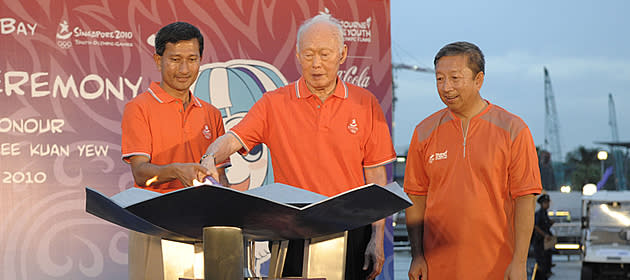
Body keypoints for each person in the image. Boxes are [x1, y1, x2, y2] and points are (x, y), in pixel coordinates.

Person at [201, 14, 396, 279]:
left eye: (325, 54)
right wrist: (211, 155)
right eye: (308, 55)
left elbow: (376, 177)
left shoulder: (366, 104)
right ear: (296, 55)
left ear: (342, 54)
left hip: (351, 227)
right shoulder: (274, 103)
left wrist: (378, 236)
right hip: (291, 228)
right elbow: (233, 139)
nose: (316, 64)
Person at [403, 41, 542, 280]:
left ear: (479, 80)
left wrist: (519, 262)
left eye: (455, 78)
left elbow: (525, 201)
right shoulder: (424, 132)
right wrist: (417, 256)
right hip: (437, 269)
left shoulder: (513, 129)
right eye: (439, 79)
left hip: (498, 267)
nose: (446, 87)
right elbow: (416, 199)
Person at [121, 21, 229, 280]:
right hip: (154, 224)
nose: (184, 69)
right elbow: (140, 173)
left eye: (192, 59)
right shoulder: (139, 108)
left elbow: (220, 177)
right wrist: (176, 171)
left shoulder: (211, 114)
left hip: (203, 229)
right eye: (175, 59)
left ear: (200, 60)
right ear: (158, 60)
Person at [533, 194, 555, 280]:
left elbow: (546, 225)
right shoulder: (539, 214)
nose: (548, 205)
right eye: (546, 203)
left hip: (546, 243)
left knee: (547, 261)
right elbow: (536, 226)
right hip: (540, 242)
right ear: (542, 204)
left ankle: (547, 273)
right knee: (541, 263)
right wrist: (544, 235)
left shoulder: (545, 214)